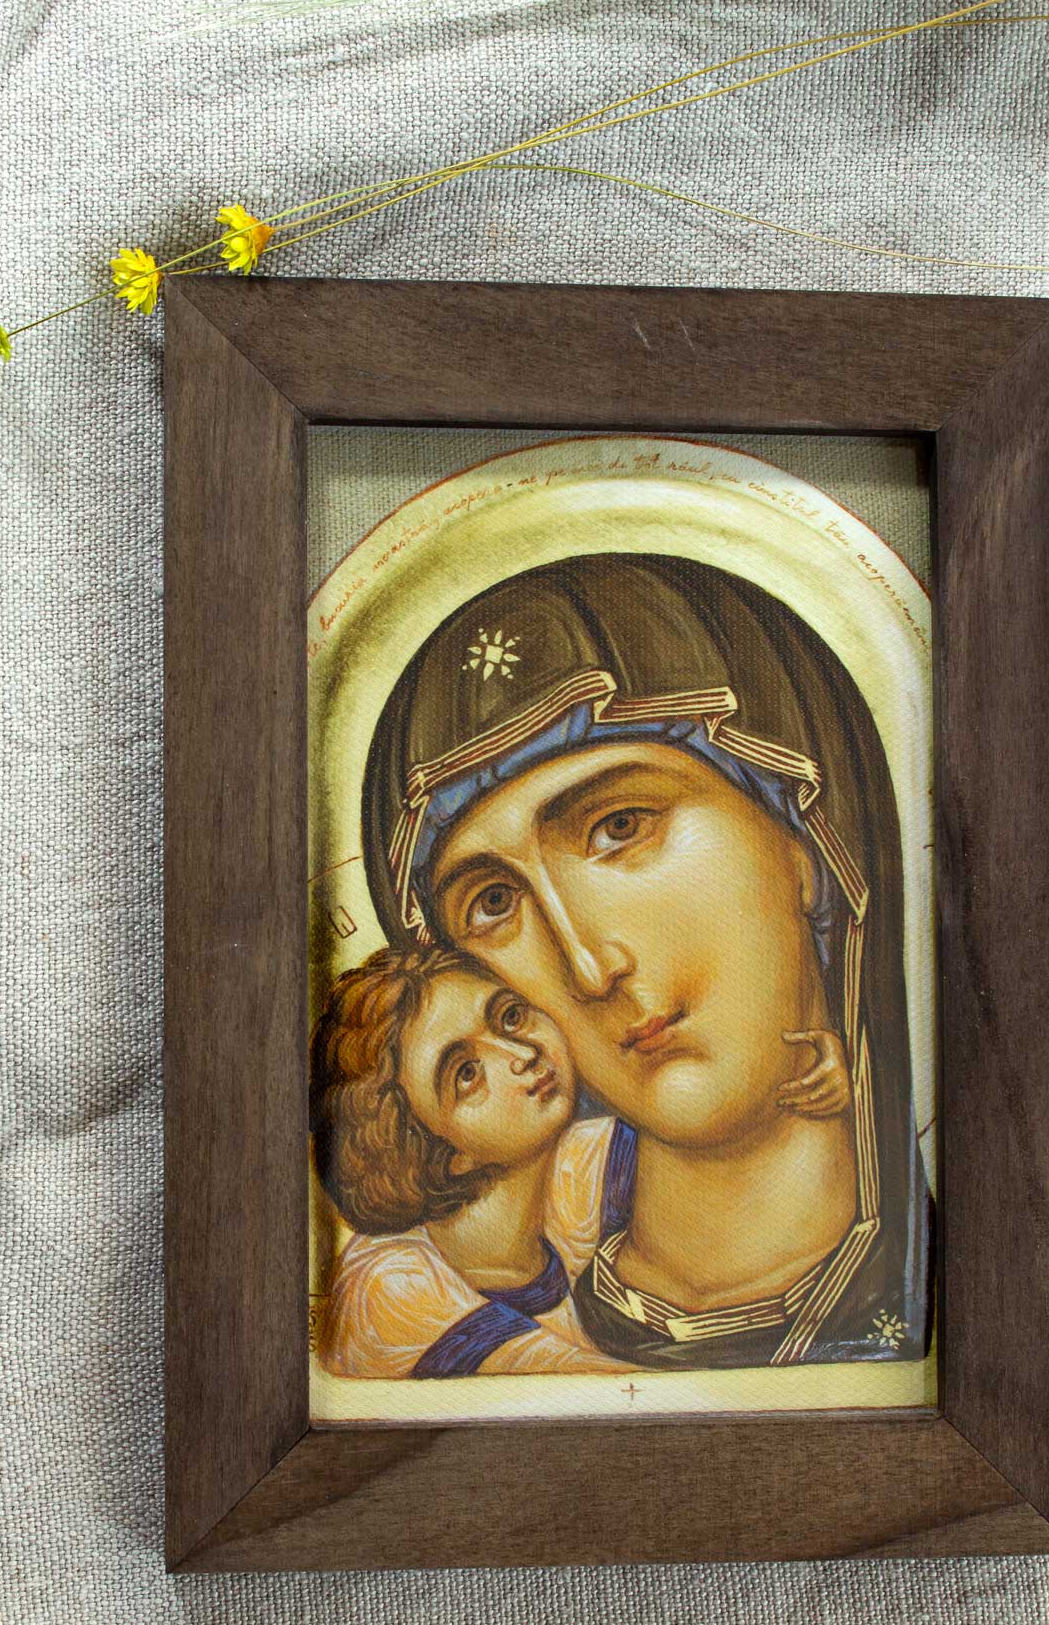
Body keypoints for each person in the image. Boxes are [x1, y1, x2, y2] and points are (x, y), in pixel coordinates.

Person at [361, 553, 932, 1368]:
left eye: (620, 825)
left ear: (805, 843)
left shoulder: (951, 1307)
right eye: (492, 902)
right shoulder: (464, 1317)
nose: (588, 969)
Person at [311, 942, 853, 1378]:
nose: (521, 1053)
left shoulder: (576, 1164)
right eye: (467, 1074)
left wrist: (797, 1078)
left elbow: (737, 1150)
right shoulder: (387, 1283)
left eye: (510, 1016)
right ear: (441, 1153)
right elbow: (605, 1390)